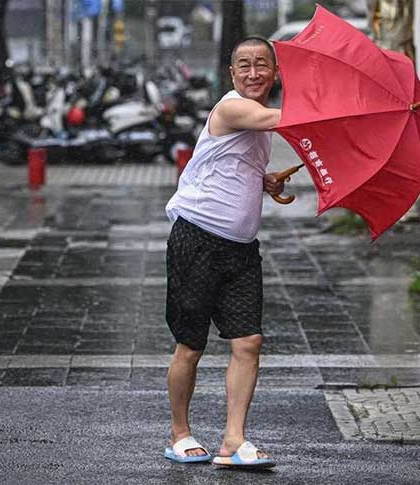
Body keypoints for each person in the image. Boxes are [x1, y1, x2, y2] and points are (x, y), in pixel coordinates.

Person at [163, 36, 285, 469]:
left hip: (241, 250)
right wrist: (339, 111)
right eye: (244, 65)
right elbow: (271, 119)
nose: (254, 73)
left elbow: (236, 162)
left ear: (274, 72)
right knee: (190, 346)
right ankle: (179, 433)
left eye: (262, 65)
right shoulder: (232, 107)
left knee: (248, 341)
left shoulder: (255, 123)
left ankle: (233, 441)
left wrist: (265, 180)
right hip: (196, 239)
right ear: (232, 74)